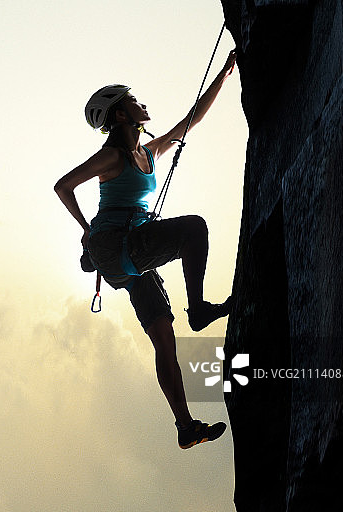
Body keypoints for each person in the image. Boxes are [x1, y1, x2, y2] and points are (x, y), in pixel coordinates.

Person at [53, 50, 237, 449]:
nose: (143, 104)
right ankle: (200, 309)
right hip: (120, 247)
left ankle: (186, 428)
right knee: (195, 230)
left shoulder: (147, 154)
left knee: (163, 336)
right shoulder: (111, 157)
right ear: (121, 115)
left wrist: (224, 74)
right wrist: (88, 230)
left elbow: (190, 121)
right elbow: (62, 186)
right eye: (134, 101)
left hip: (127, 258)